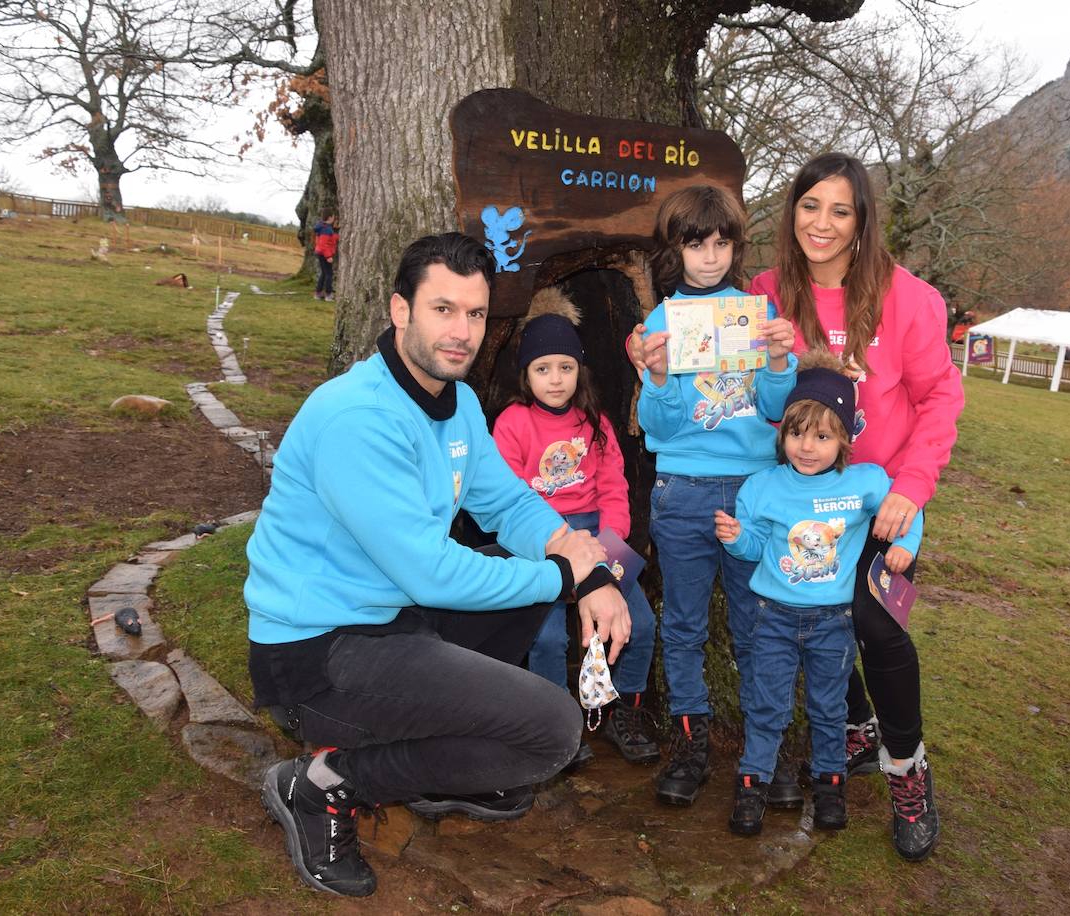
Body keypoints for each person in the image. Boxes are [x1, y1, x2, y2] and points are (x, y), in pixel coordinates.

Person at [246, 232, 632, 897]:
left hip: (392, 615)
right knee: (553, 733)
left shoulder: (455, 404)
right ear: (401, 311)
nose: (462, 332)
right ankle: (321, 784)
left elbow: (509, 503)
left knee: (525, 573)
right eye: (443, 309)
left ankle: (439, 764)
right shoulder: (359, 417)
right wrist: (564, 579)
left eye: (476, 314)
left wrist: (587, 569)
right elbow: (432, 573)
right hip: (318, 651)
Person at [746, 153, 964, 862]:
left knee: (875, 621)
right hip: (808, 504)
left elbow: (941, 398)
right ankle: (858, 728)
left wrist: (911, 487)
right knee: (809, 611)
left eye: (841, 209)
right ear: (792, 212)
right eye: (810, 205)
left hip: (886, 503)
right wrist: (777, 360)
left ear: (863, 220)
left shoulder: (910, 299)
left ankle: (907, 771)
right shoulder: (767, 292)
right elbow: (766, 409)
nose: (823, 223)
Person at [632, 185, 799, 808]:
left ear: (736, 245)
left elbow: (777, 411)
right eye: (695, 244)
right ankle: (690, 741)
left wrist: (781, 363)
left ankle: (768, 750)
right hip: (681, 491)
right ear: (675, 248)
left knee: (759, 628)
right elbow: (660, 428)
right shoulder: (661, 321)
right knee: (683, 626)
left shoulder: (756, 311)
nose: (709, 257)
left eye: (721, 243)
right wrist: (656, 376)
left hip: (755, 490)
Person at [714, 354, 922, 837]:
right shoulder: (761, 487)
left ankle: (831, 787)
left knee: (829, 708)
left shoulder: (864, 482)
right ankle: (752, 786)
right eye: (797, 433)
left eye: (823, 436)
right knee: (767, 704)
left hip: (834, 620)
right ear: (782, 433)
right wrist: (735, 537)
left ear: (845, 438)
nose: (807, 447)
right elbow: (754, 549)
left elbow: (908, 510)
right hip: (773, 619)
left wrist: (904, 548)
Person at [491, 289, 660, 768]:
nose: (555, 379)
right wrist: (551, 544)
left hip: (598, 533)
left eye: (565, 367)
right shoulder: (512, 423)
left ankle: (626, 707)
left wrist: (610, 546)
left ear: (579, 370)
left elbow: (613, 489)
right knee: (546, 638)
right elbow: (511, 499)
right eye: (543, 369)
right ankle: (556, 721)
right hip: (539, 537)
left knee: (640, 624)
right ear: (525, 373)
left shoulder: (595, 422)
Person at [313, 212, 338, 301]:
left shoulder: (322, 227)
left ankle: (318, 293)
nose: (334, 219)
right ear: (330, 217)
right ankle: (328, 295)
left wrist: (335, 232)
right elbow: (323, 244)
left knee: (324, 273)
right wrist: (328, 256)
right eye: (333, 217)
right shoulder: (326, 229)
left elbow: (330, 239)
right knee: (329, 274)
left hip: (320, 252)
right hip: (324, 254)